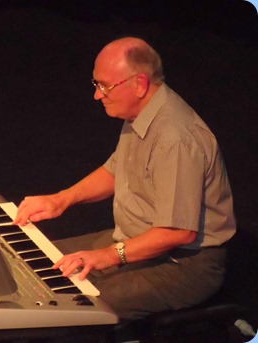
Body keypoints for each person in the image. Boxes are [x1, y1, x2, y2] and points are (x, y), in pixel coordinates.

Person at [13, 37, 236, 321]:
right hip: (134, 240)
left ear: (140, 84)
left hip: (184, 264)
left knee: (71, 308)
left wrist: (107, 256)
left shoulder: (175, 139)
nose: (97, 95)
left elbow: (178, 232)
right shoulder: (140, 114)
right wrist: (61, 199)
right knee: (30, 264)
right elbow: (115, 171)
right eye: (96, 85)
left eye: (104, 86)